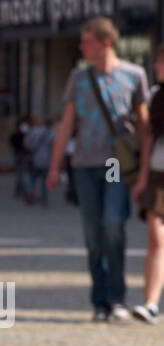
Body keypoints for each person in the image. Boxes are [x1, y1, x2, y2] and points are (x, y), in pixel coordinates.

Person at [45, 16, 150, 322]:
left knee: (112, 223)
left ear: (105, 43)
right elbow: (66, 125)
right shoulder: (79, 78)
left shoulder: (134, 75)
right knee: (93, 234)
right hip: (83, 165)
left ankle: (116, 297)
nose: (81, 46)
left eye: (86, 41)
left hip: (116, 163)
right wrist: (54, 167)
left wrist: (144, 173)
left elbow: (143, 127)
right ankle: (99, 301)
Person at [129, 44, 164, 324]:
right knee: (157, 238)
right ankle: (150, 303)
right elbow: (148, 140)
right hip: (158, 174)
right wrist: (141, 179)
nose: (156, 67)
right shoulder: (156, 96)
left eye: (161, 62)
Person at [24, 116, 55, 206]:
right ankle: (44, 200)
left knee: (33, 178)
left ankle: (29, 191)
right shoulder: (51, 133)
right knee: (45, 181)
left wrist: (32, 150)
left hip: (35, 158)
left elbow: (26, 143)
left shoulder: (34, 132)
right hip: (46, 159)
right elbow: (55, 144)